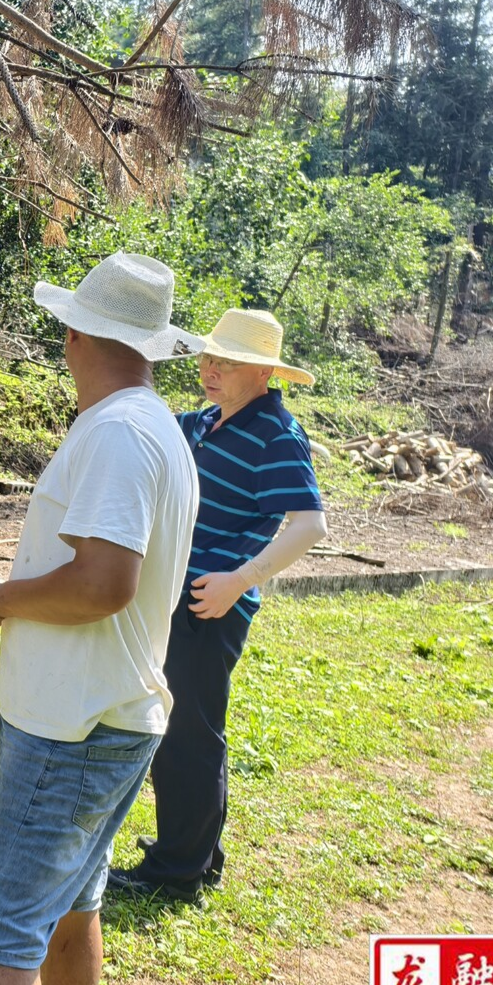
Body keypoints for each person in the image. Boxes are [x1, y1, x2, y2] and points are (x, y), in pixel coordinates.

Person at [0, 253, 201, 985]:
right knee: (69, 908)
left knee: (4, 933)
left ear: (76, 333)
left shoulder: (119, 433)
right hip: (111, 716)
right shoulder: (152, 424)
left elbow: (103, 582)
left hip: (71, 725)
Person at [107, 309, 327, 901]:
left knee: (189, 734)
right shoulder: (205, 421)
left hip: (212, 603)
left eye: (226, 362)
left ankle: (177, 872)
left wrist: (240, 579)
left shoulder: (275, 432)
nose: (210, 368)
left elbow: (308, 524)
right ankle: (196, 857)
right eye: (208, 356)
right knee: (181, 727)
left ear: (262, 372)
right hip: (179, 595)